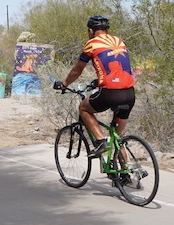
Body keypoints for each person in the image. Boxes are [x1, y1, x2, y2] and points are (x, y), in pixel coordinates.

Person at [54, 15, 136, 158]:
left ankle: (100, 142)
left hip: (110, 94)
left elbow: (77, 70)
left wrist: (64, 84)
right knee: (117, 137)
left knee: (83, 108)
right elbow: (118, 68)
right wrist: (98, 81)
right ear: (107, 29)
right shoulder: (119, 41)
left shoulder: (92, 44)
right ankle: (125, 171)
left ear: (91, 31)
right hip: (130, 94)